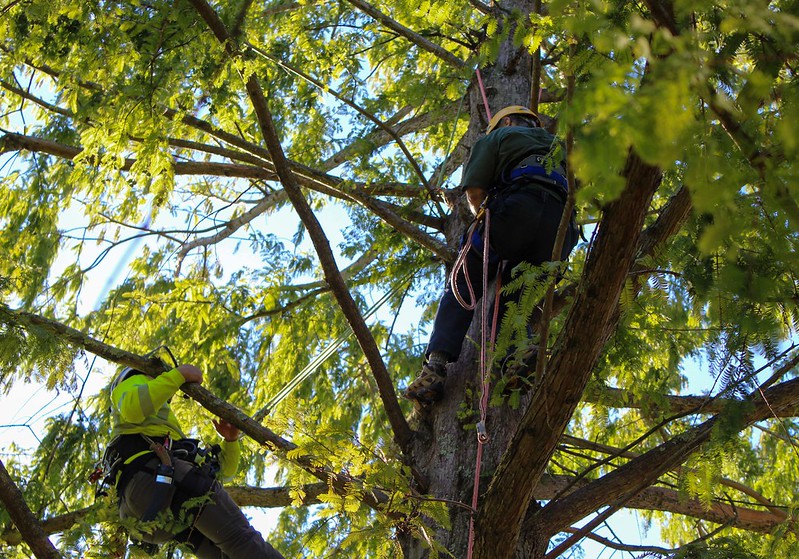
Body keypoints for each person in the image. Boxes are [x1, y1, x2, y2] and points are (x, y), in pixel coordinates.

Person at [404, 106, 579, 407]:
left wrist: (482, 218)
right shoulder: (562, 147)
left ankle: (436, 365)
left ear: (507, 121)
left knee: (464, 282)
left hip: (517, 209)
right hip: (560, 230)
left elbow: (474, 192)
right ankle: (516, 355)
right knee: (517, 295)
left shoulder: (501, 135)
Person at [101, 363, 284, 558]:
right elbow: (134, 407)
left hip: (153, 512)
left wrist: (230, 441)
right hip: (157, 479)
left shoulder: (169, 441)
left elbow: (225, 474)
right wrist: (179, 375)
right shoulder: (132, 380)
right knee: (242, 541)